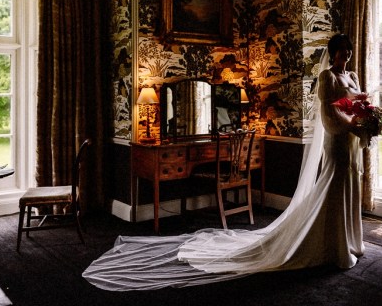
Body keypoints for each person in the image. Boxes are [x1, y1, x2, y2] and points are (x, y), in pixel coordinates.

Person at [82, 33, 365, 290]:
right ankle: (335, 241)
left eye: (348, 51)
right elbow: (330, 116)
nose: (345, 56)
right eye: (341, 51)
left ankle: (348, 238)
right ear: (333, 53)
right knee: (334, 183)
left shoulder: (351, 76)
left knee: (346, 185)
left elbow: (357, 104)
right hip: (338, 139)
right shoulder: (328, 79)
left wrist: (364, 122)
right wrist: (353, 125)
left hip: (349, 140)